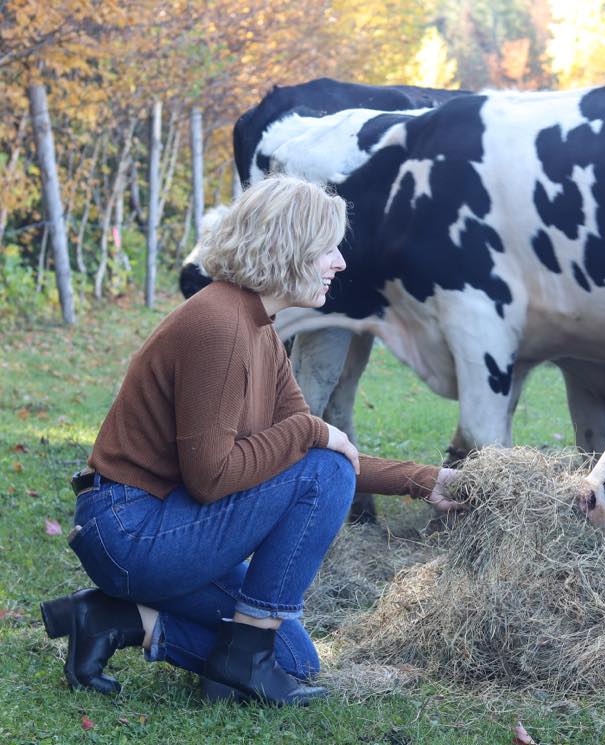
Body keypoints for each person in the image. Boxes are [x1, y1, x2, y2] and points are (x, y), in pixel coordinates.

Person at [39, 174, 462, 705]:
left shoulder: (260, 327)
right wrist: (310, 430)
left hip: (166, 525)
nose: (341, 262)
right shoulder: (219, 326)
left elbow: (311, 450)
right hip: (131, 531)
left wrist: (428, 481)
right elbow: (214, 476)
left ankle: (113, 620)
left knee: (295, 662)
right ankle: (244, 656)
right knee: (321, 469)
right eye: (328, 248)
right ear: (290, 246)